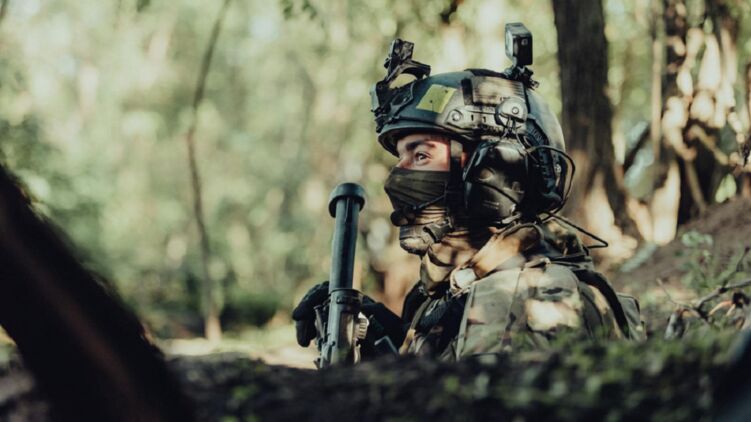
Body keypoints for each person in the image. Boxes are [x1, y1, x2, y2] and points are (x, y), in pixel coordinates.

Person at [294, 34, 645, 362]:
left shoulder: (524, 297)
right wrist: (380, 336)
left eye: (421, 155)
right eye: (400, 158)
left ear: (493, 169)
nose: (397, 178)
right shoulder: (457, 291)